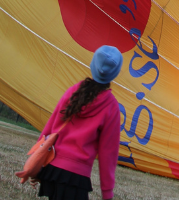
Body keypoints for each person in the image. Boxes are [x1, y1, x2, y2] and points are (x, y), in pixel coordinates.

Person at [32, 45, 123, 200]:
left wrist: (36, 161)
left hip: (54, 170)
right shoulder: (111, 107)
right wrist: (107, 192)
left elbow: (50, 127)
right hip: (75, 177)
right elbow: (108, 153)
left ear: (93, 64)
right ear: (115, 74)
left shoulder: (74, 91)